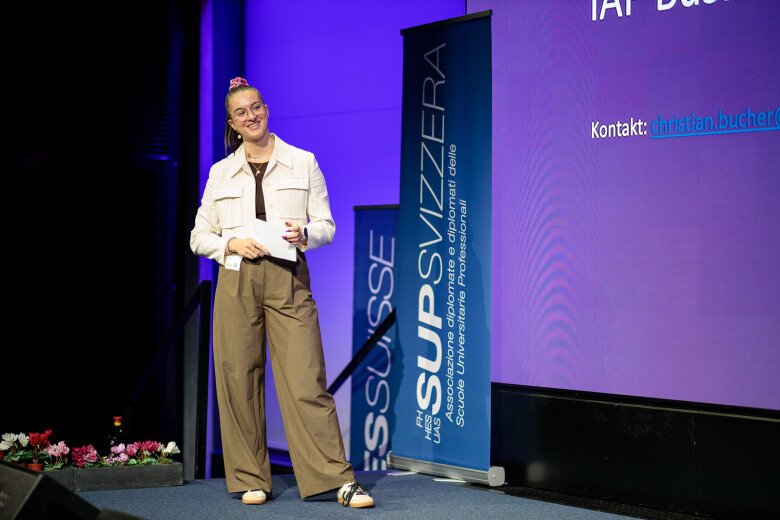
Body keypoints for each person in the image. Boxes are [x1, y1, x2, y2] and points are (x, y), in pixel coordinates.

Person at [190, 77, 373, 508]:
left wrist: (304, 233)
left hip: (288, 276)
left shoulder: (301, 161)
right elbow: (200, 236)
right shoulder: (221, 172)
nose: (250, 116)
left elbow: (326, 225)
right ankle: (251, 478)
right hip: (237, 279)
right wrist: (231, 243)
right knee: (238, 378)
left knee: (306, 378)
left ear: (266, 109)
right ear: (232, 124)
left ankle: (337, 479)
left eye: (256, 107)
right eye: (241, 112)